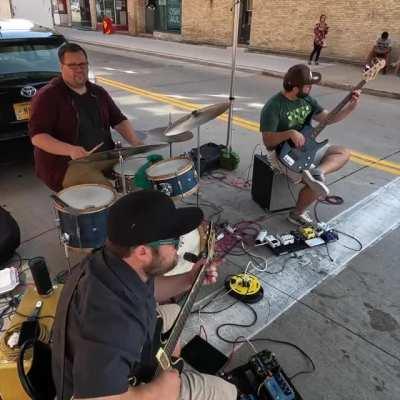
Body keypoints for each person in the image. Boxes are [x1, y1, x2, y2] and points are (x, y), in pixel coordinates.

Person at [51, 189, 237, 400]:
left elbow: (148, 289)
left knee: (174, 311)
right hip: (98, 391)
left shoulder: (113, 261)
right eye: (174, 242)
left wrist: (189, 279)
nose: (178, 250)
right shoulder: (113, 321)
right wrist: (157, 391)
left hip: (94, 356)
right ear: (142, 252)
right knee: (225, 391)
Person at [28, 43, 143, 192]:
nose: (79, 69)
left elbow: (118, 119)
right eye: (72, 65)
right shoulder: (48, 96)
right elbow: (38, 136)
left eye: (82, 64)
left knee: (141, 174)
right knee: (106, 193)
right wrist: (70, 150)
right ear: (61, 67)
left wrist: (136, 143)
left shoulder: (98, 92)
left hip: (104, 156)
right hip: (67, 165)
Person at [260, 64, 360, 226]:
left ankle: (318, 171)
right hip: (282, 154)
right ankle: (296, 214)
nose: (310, 88)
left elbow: (328, 119)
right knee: (317, 187)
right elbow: (268, 141)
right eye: (307, 86)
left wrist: (351, 107)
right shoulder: (273, 106)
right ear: (294, 87)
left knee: (343, 152)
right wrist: (289, 133)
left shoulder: (307, 100)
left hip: (306, 146)